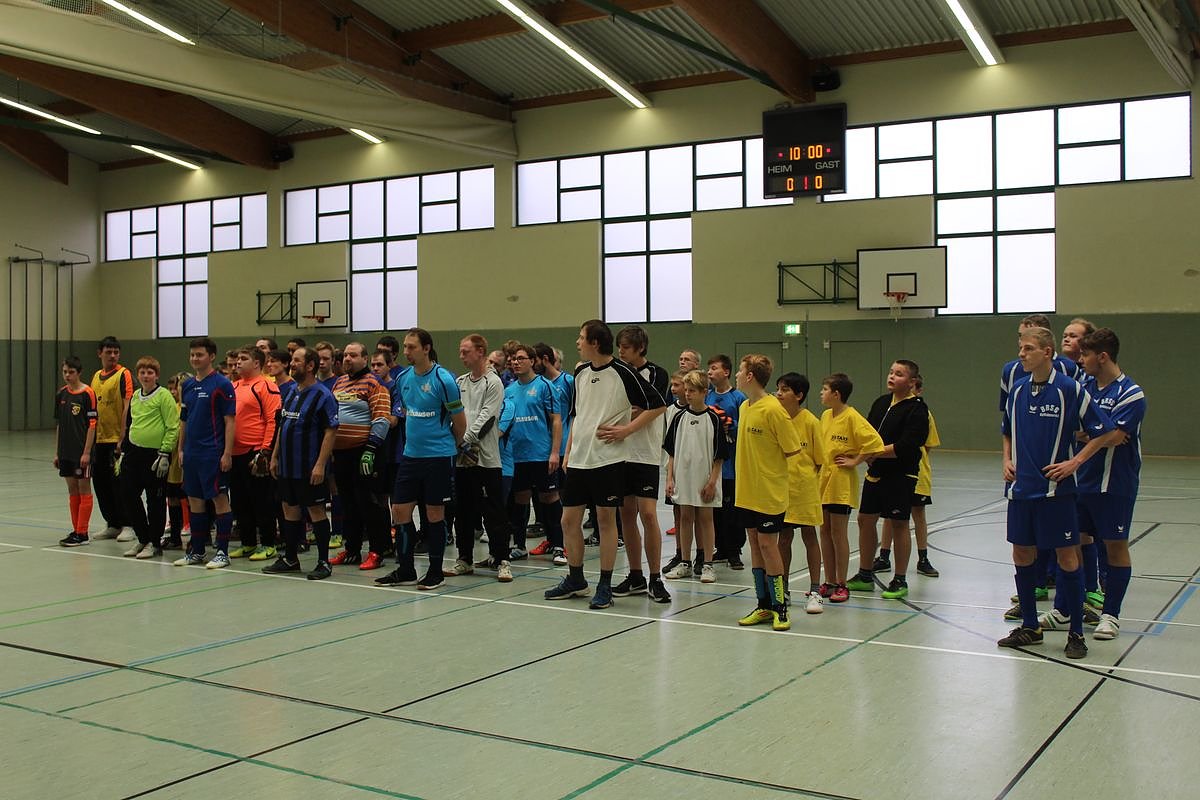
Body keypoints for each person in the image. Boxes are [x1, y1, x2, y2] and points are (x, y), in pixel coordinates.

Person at [997, 327, 1121, 659]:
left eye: (1028, 348)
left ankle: (1076, 632)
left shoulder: (1069, 388)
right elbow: (1007, 430)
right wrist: (1006, 459)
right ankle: (1030, 626)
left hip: (1056, 493)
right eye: (1020, 348)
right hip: (1020, 491)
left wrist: (1075, 462)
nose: (1021, 354)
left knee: (1068, 557)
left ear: (1047, 352)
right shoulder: (1018, 390)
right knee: (1022, 555)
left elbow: (1103, 430)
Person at [543, 320, 666, 610]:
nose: (577, 342)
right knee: (568, 520)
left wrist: (626, 430)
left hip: (608, 460)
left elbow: (658, 404)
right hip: (579, 459)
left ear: (595, 342)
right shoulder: (580, 372)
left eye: (581, 337)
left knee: (606, 520)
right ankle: (576, 579)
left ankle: (605, 585)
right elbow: (578, 414)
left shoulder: (623, 372)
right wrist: (568, 452)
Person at [1039, 328, 1145, 641]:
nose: (1080, 360)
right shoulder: (1083, 387)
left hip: (1114, 484)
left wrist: (1088, 444)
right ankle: (1064, 609)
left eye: (1085, 355)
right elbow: (1082, 428)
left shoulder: (1131, 393)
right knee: (1071, 544)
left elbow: (1115, 435)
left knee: (1115, 546)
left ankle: (1110, 615)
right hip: (1079, 485)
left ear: (1103, 357)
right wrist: (1097, 433)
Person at [378, 329, 465, 590]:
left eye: (412, 347)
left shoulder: (443, 379)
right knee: (400, 510)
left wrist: (452, 447)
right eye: (405, 347)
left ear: (426, 348)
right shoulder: (403, 378)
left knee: (434, 513)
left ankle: (435, 572)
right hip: (410, 456)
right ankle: (406, 570)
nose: (406, 352)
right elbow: (408, 412)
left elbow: (459, 423)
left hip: (438, 457)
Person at [845, 360, 930, 601]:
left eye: (899, 374)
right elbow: (867, 434)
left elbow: (907, 445)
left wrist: (873, 452)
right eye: (891, 372)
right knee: (865, 520)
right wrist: (867, 454)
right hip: (876, 473)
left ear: (912, 382)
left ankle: (900, 579)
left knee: (899, 523)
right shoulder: (881, 403)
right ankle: (864, 574)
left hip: (901, 475)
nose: (892, 377)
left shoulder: (917, 409)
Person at [733, 355, 801, 631]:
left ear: (750, 376)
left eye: (740, 371)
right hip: (746, 492)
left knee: (768, 546)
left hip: (769, 493)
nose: (737, 375)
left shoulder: (774, 410)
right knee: (755, 545)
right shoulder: (745, 406)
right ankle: (763, 604)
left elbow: (792, 449)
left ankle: (780, 607)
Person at [266, 347, 339, 579]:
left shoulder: (323, 395)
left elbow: (330, 431)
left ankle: (323, 562)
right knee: (289, 508)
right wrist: (275, 456)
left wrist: (320, 465)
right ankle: (290, 558)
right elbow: (283, 426)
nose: (292, 364)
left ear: (310, 365)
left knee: (316, 510)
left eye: (297, 361)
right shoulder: (290, 392)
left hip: (309, 466)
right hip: (287, 466)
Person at [612, 325, 672, 602]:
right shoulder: (616, 372)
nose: (621, 351)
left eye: (626, 347)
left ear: (640, 348)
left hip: (646, 453)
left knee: (648, 514)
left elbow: (651, 407)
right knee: (626, 514)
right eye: (619, 347)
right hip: (620, 453)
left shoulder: (657, 373)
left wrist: (629, 422)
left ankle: (655, 577)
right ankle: (635, 575)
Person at [817, 373, 884, 602]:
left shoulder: (852, 416)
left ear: (836, 394)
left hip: (841, 483)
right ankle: (829, 581)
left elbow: (875, 442)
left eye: (825, 389)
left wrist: (855, 460)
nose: (821, 393)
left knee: (838, 533)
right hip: (824, 481)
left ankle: (841, 583)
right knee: (824, 531)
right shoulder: (826, 416)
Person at [451, 334, 513, 581]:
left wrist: (465, 439)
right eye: (460, 351)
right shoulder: (460, 382)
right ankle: (464, 559)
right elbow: (453, 413)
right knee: (464, 511)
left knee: (494, 512)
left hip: (486, 460)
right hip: (462, 459)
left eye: (465, 351)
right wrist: (457, 441)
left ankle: (502, 559)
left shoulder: (493, 382)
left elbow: (488, 417)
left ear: (480, 352)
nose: (461, 356)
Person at [327, 342, 393, 570]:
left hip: (365, 452)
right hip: (341, 454)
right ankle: (352, 549)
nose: (347, 359)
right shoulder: (339, 383)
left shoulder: (375, 383)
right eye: (345, 355)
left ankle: (377, 550)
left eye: (353, 355)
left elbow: (382, 419)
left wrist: (370, 450)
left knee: (368, 503)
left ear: (365, 359)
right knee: (348, 503)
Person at [174, 337, 236, 569]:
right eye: (192, 355)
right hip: (192, 453)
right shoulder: (187, 385)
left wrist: (227, 453)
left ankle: (222, 552)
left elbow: (230, 421)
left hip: (213, 452)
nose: (195, 359)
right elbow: (184, 420)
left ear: (211, 356)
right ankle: (197, 550)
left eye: (199, 355)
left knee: (219, 499)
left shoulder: (222, 384)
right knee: (194, 500)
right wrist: (181, 449)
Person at [662, 369, 727, 584]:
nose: (688, 394)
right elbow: (671, 452)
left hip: (706, 479)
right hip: (683, 478)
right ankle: (685, 562)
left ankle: (707, 564)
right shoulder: (679, 417)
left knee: (706, 519)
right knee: (685, 517)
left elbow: (719, 456)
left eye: (692, 391)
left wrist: (712, 482)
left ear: (704, 392)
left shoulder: (713, 419)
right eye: (687, 390)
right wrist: (670, 479)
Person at [503, 343, 564, 568]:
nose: (516, 362)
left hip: (541, 454)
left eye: (521, 358)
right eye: (513, 359)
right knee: (520, 499)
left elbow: (556, 420)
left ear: (532, 361)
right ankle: (519, 546)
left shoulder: (545, 386)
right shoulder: (508, 391)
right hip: (517, 456)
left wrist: (554, 452)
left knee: (549, 498)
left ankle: (558, 545)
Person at [875, 375, 941, 578]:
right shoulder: (890, 408)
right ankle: (884, 556)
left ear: (918, 390)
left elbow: (928, 445)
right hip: (896, 472)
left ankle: (923, 558)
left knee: (918, 514)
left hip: (917, 474)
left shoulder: (923, 413)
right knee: (890, 515)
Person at [774, 372, 825, 613]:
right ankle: (782, 589)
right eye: (778, 389)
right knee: (783, 538)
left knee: (809, 536)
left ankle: (815, 591)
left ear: (799, 395)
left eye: (784, 390)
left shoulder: (811, 422)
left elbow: (819, 460)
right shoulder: (777, 418)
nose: (779, 394)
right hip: (781, 489)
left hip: (804, 489)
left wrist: (805, 479)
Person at [119, 356, 179, 559]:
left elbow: (172, 426)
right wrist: (124, 451)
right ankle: (142, 537)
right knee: (128, 494)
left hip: (155, 456)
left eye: (150, 372)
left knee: (155, 501)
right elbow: (131, 423)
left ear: (156, 375)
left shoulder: (163, 396)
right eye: (142, 372)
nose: (146, 376)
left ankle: (154, 542)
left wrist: (165, 453)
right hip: (133, 453)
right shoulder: (136, 396)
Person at [228, 347, 282, 561]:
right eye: (237, 359)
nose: (238, 362)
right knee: (239, 501)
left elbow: (273, 420)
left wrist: (265, 451)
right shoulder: (233, 386)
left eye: (243, 359)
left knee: (262, 501)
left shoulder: (266, 386)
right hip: (234, 453)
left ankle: (268, 544)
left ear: (257, 363)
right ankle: (248, 543)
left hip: (255, 453)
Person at [529, 341, 573, 561]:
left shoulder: (568, 382)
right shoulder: (538, 385)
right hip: (543, 449)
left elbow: (576, 414)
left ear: (545, 360)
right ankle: (551, 538)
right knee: (543, 496)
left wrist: (572, 445)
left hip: (565, 447)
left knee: (563, 496)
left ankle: (565, 542)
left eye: (534, 360)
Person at [89, 336, 134, 541]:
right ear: (100, 353)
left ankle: (128, 524)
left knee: (120, 484)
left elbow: (127, 405)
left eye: (116, 352)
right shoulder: (96, 376)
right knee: (101, 484)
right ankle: (113, 523)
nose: (113, 356)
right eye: (109, 352)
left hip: (116, 439)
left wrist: (123, 436)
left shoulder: (124, 374)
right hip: (98, 439)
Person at [705, 354, 747, 570]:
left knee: (732, 510)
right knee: (715, 510)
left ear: (726, 372)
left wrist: (730, 424)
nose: (710, 372)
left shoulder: (738, 398)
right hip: (712, 463)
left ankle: (734, 550)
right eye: (709, 369)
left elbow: (745, 426)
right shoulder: (707, 397)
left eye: (714, 368)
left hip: (731, 464)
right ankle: (720, 547)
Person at [55, 356, 98, 547]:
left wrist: (87, 452)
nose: (67, 375)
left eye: (71, 372)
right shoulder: (61, 394)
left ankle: (83, 532)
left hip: (81, 452)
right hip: (66, 452)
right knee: (72, 490)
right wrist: (58, 452)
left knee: (83, 488)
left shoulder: (87, 393)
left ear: (79, 373)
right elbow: (59, 424)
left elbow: (92, 425)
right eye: (65, 372)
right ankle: (76, 530)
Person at [160, 372, 190, 550]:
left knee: (191, 498)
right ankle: (175, 537)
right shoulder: (173, 407)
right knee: (172, 496)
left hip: (188, 457)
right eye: (179, 385)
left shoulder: (192, 407)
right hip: (172, 459)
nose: (180, 388)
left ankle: (199, 537)